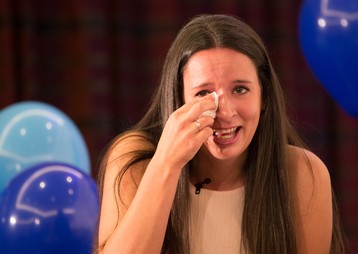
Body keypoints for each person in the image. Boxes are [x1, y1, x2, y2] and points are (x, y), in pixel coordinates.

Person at [95, 14, 345, 254]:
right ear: (178, 100)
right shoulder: (136, 158)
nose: (224, 112)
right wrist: (166, 164)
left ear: (264, 97)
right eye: (203, 93)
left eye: (240, 89)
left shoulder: (303, 172)